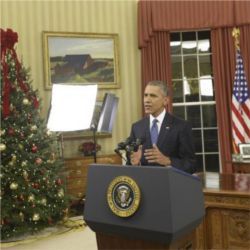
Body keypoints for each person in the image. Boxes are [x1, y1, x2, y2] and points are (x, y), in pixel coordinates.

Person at [129, 80, 196, 174]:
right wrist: (135, 163)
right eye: (145, 95)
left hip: (171, 185)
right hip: (144, 186)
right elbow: (130, 166)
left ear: (165, 101)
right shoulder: (137, 127)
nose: (147, 100)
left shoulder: (181, 126)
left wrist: (168, 161)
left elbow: (191, 165)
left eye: (153, 96)